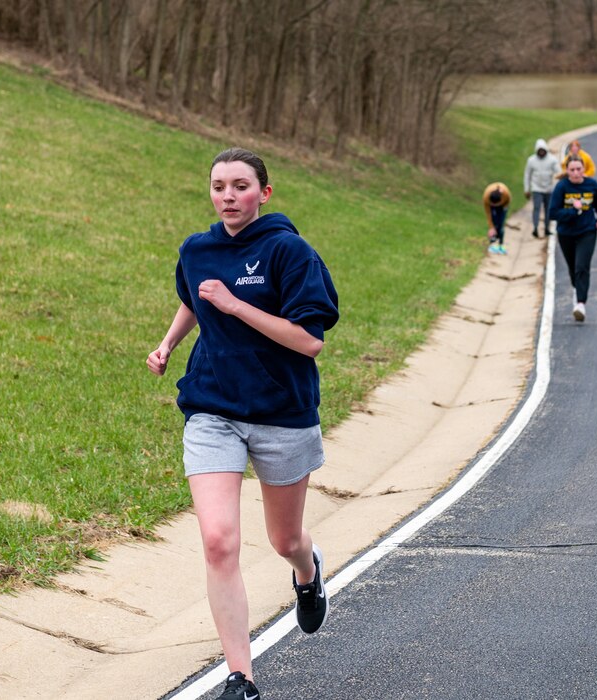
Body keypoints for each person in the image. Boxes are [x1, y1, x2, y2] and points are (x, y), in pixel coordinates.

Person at [146, 147, 339, 700]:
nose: (227, 196)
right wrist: (166, 345)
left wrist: (237, 307)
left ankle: (308, 570)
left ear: (264, 193)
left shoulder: (290, 252)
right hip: (212, 407)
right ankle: (242, 678)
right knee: (218, 540)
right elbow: (194, 299)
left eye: (239, 186)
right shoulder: (198, 249)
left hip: (282, 413)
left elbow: (310, 341)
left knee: (284, 539)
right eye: (218, 186)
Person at [550, 156, 597, 322]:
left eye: (578, 169)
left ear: (584, 169)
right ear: (567, 171)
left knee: (582, 266)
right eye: (572, 170)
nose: (576, 173)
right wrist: (573, 211)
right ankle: (578, 290)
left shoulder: (592, 185)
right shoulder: (562, 187)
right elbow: (553, 213)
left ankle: (581, 303)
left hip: (587, 231)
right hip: (566, 233)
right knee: (572, 267)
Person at [523, 138, 558, 238]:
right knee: (537, 208)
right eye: (540, 151)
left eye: (543, 150)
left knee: (548, 209)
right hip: (536, 188)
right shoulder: (531, 160)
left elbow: (558, 172)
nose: (541, 152)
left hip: (548, 188)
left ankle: (547, 228)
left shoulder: (552, 159)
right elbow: (527, 175)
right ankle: (535, 227)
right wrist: (527, 189)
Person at [482, 182, 512, 254]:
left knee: (500, 223)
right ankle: (493, 241)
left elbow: (508, 202)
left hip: (503, 205)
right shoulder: (486, 197)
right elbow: (488, 213)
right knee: (494, 222)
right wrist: (491, 226)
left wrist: (504, 209)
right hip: (492, 205)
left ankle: (501, 243)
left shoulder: (505, 194)